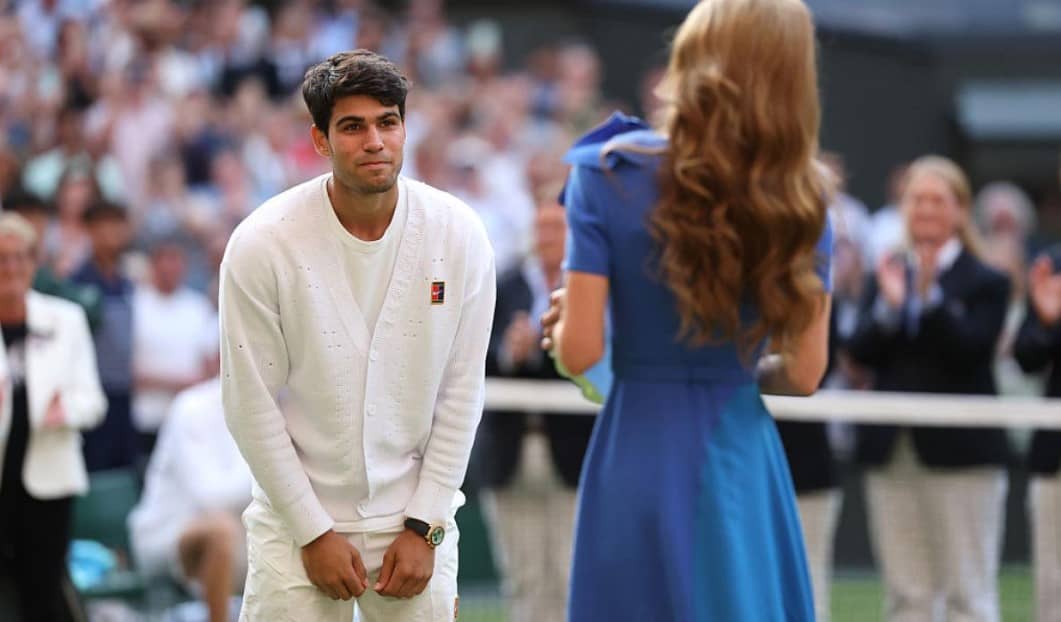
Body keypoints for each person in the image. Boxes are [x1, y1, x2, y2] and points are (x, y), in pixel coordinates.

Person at [540, 1, 834, 618]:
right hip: (740, 456)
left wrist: (569, 322)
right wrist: (727, 370)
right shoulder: (802, 199)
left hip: (637, 447)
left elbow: (582, 352)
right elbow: (804, 374)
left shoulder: (607, 173)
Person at [219, 50, 495, 622]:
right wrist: (312, 530)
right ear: (320, 140)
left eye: (388, 122)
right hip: (293, 524)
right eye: (353, 126)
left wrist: (426, 524)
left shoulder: (460, 235)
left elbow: (462, 392)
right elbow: (249, 403)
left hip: (417, 521)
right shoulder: (262, 243)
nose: (375, 141)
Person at [846, 156, 1011, 622]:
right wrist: (892, 310)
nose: (925, 210)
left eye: (937, 200)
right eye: (916, 200)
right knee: (906, 595)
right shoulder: (885, 276)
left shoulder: (987, 282)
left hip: (963, 457)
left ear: (960, 209)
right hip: (893, 452)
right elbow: (859, 351)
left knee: (967, 594)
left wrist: (927, 301)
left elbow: (970, 352)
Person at [477, 190, 594, 622]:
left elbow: (593, 361)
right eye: (542, 227)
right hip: (510, 450)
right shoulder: (502, 283)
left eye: (557, 228)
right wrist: (509, 351)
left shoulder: (589, 288)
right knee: (523, 578)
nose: (547, 237)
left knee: (572, 573)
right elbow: (471, 355)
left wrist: (540, 351)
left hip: (574, 453)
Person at [0, 212, 107, 621]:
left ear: (33, 262)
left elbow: (93, 401)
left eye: (18, 258)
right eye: (1, 258)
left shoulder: (66, 319)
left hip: (48, 478)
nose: (9, 268)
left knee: (43, 593)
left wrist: (66, 411)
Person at [129, 366, 251, 622]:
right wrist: (274, 470)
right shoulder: (192, 406)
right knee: (220, 530)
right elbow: (209, 497)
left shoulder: (284, 405)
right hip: (167, 535)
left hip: (243, 532)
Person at [1013, 244, 1061, 622]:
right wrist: (1047, 321)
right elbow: (1027, 356)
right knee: (1052, 589)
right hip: (1054, 452)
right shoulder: (1053, 264)